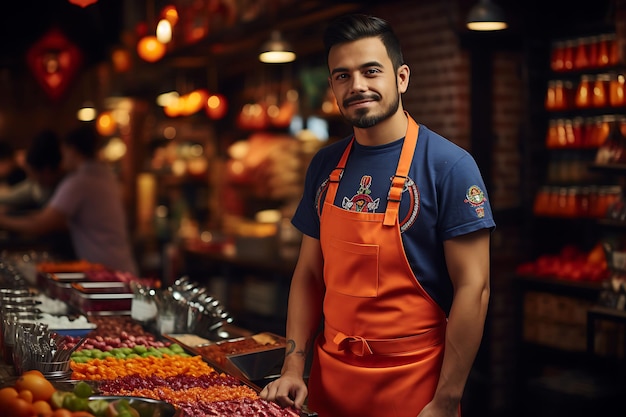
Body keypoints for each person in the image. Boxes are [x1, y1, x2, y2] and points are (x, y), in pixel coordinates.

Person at [260, 14, 496, 417]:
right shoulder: (324, 165)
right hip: (331, 383)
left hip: (415, 390)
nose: (357, 86)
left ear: (401, 77)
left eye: (371, 71)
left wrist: (446, 399)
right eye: (342, 76)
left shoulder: (450, 167)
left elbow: (474, 288)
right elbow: (309, 274)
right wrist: (293, 366)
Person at [0, 123, 138, 275]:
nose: (62, 159)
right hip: (120, 267)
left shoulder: (79, 182)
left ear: (72, 150)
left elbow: (41, 224)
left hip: (106, 272)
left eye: (64, 151)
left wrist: (3, 220)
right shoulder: (104, 175)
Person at [0, 130, 65, 212]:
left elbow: (45, 221)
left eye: (33, 174)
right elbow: (11, 197)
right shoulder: (36, 184)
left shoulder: (69, 186)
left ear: (46, 171)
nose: (31, 179)